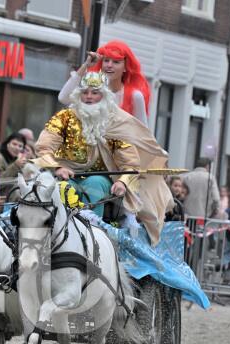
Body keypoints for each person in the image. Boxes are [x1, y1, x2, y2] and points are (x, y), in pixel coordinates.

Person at [35, 71, 171, 241]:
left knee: (94, 183)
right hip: (65, 176)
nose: (89, 97)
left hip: (101, 179)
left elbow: (130, 162)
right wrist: (57, 167)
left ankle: (92, 234)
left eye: (94, 93)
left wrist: (123, 181)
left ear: (104, 96)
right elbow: (44, 145)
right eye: (85, 92)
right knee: (61, 188)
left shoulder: (115, 122)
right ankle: (55, 236)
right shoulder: (64, 118)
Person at [58, 41, 151, 127]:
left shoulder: (135, 96)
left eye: (116, 62)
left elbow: (143, 132)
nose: (109, 65)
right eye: (106, 60)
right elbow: (63, 98)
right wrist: (85, 65)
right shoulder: (92, 90)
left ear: (125, 67)